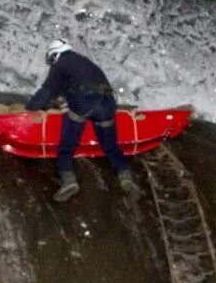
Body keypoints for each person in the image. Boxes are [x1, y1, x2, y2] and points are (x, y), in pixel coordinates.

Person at [26, 40, 140, 202]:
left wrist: (30, 109)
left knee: (66, 147)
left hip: (84, 103)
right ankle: (126, 177)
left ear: (54, 55)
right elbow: (75, 86)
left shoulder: (60, 65)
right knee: (111, 147)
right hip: (107, 104)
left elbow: (47, 91)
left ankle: (69, 182)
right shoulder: (83, 61)